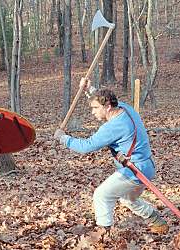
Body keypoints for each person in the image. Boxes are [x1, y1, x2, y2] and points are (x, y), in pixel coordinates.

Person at [54, 78, 169, 236]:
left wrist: (63, 138)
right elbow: (102, 98)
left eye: (95, 108)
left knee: (102, 195)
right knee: (128, 199)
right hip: (146, 166)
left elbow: (86, 146)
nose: (93, 112)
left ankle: (103, 234)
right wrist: (89, 88)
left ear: (107, 107)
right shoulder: (124, 108)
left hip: (134, 171)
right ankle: (157, 221)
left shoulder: (114, 126)